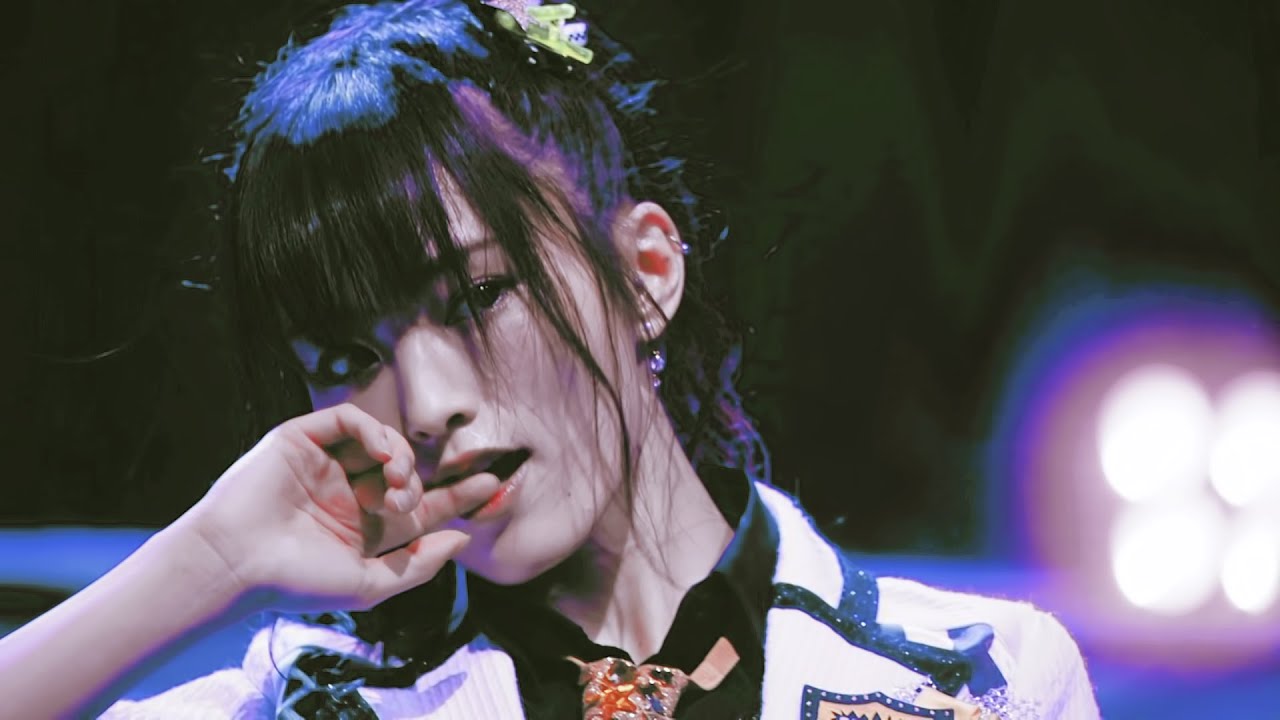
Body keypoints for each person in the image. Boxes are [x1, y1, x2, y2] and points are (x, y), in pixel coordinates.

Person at [0, 1, 1100, 717]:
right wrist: (210, 560)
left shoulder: (989, 679)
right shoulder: (307, 703)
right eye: (346, 353)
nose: (425, 405)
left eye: (479, 295)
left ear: (645, 272)